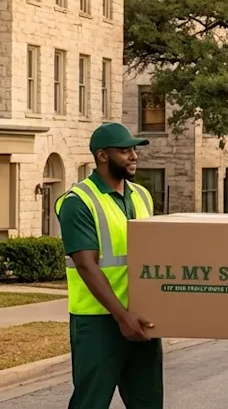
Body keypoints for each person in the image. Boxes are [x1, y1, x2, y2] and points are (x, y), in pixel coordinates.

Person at [56, 122, 162, 407]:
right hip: (99, 322)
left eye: (134, 150)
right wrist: (121, 316)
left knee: (148, 402)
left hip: (142, 318)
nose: (134, 156)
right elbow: (86, 265)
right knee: (91, 402)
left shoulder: (141, 195)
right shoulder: (78, 202)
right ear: (102, 156)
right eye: (125, 151)